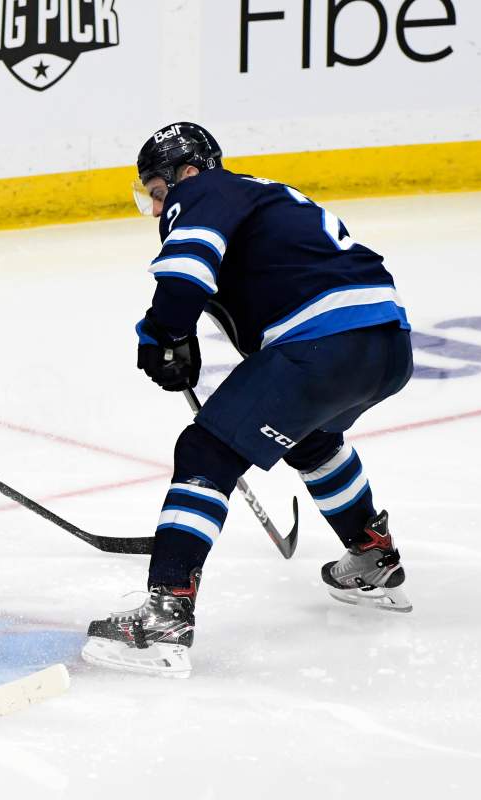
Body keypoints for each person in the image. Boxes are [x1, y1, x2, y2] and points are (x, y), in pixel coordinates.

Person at [82, 122, 414, 678]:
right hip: (386, 344)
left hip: (323, 343)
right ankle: (373, 556)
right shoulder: (257, 198)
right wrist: (172, 336)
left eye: (157, 189)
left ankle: (165, 616)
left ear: (186, 171)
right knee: (312, 439)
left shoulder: (203, 190)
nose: (159, 205)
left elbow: (186, 276)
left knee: (205, 454)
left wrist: (163, 335)